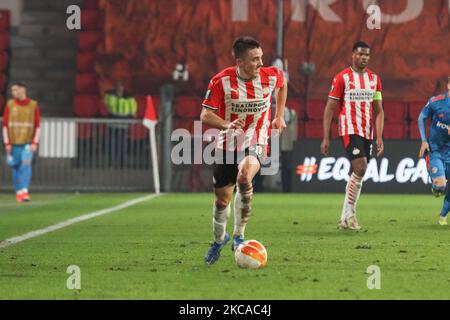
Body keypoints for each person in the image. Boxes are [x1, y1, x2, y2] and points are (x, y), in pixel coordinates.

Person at [200, 36, 288, 265]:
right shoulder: (221, 81)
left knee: (244, 175)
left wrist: (279, 115)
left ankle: (239, 235)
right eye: (254, 59)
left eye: (261, 58)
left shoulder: (271, 75)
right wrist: (226, 125)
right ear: (239, 62)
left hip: (256, 138)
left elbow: (282, 84)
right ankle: (219, 239)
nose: (260, 63)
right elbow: (205, 115)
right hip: (228, 143)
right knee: (222, 201)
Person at [320, 41, 384, 230]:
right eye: (361, 54)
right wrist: (325, 137)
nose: (364, 58)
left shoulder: (374, 79)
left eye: (367, 55)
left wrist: (379, 136)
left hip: (367, 132)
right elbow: (329, 108)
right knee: (361, 167)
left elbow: (379, 110)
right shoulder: (342, 78)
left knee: (358, 174)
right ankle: (351, 215)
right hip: (349, 129)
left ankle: (345, 218)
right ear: (353, 55)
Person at [418, 77, 450, 226]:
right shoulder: (436, 101)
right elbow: (421, 117)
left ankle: (443, 216)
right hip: (435, 149)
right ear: (449, 85)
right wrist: (424, 140)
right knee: (441, 186)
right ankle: (436, 184)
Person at [2, 82, 41, 202]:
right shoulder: (10, 105)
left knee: (26, 165)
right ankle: (19, 192)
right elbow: (5, 126)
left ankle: (24, 191)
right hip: (14, 143)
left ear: (23, 90)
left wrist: (35, 142)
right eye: (12, 90)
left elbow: (37, 125)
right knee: (16, 167)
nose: (13, 92)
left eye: (16, 90)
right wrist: (7, 143)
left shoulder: (33, 105)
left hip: (27, 142)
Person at [103, 80, 137, 167]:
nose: (119, 89)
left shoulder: (129, 98)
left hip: (123, 125)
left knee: (121, 144)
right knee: (112, 144)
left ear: (123, 88)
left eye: (120, 87)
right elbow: (106, 105)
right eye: (117, 87)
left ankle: (121, 162)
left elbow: (134, 113)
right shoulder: (110, 97)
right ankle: (112, 162)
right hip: (112, 124)